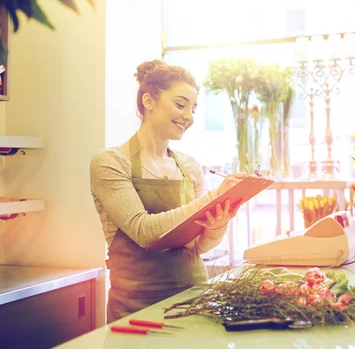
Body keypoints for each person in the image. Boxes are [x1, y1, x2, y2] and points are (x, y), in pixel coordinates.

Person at [90, 59, 246, 322]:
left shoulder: (190, 167)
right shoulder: (110, 162)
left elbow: (198, 246)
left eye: (194, 109)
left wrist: (217, 225)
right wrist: (213, 198)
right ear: (149, 101)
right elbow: (144, 231)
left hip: (195, 301)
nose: (189, 116)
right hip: (135, 309)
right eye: (180, 104)